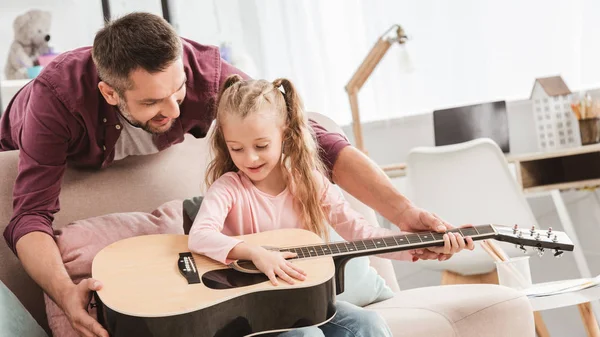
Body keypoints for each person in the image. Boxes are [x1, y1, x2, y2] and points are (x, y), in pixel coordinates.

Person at [0, 12, 464, 337]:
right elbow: (29, 217)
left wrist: (405, 214)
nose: (174, 108)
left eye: (178, 91)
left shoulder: (208, 74)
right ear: (110, 92)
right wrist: (64, 292)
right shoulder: (54, 100)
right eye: (152, 102)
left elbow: (316, 141)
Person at [187, 74, 475, 337]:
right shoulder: (228, 188)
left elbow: (361, 233)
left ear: (285, 135)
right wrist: (254, 253)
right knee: (306, 336)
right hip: (252, 314)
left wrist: (423, 246)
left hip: (302, 303)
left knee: (369, 324)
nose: (249, 158)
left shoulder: (310, 182)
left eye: (261, 146)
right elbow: (200, 236)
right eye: (237, 148)